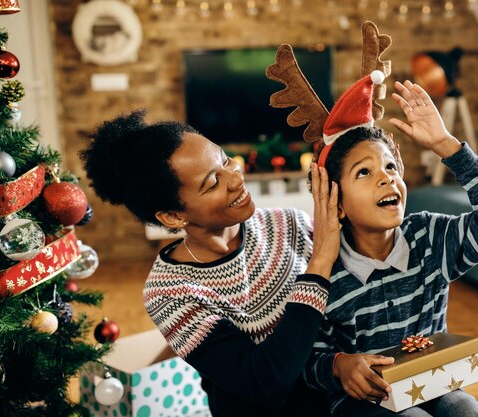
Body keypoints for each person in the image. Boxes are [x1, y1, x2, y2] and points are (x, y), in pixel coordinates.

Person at [80, 109, 341, 417]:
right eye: (212, 182)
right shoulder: (170, 292)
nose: (235, 177)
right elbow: (265, 382)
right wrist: (320, 262)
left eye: (226, 159)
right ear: (174, 216)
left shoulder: (289, 223)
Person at [301, 75, 478, 417]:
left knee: (472, 413)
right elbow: (307, 362)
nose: (386, 177)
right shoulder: (323, 272)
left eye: (391, 166)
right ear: (337, 203)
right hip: (362, 402)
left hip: (434, 383)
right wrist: (339, 366)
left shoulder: (429, 236)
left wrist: (446, 145)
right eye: (364, 173)